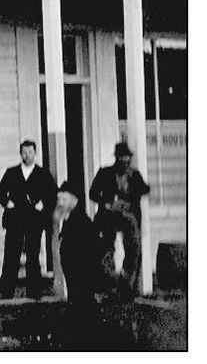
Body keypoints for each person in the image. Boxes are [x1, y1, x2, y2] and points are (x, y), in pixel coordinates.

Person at [0, 139, 56, 299]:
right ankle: (6, 293)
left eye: (30, 152)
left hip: (34, 220)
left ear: (35, 153)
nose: (27, 155)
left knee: (33, 256)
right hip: (15, 219)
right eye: (24, 152)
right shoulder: (12, 172)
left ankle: (34, 292)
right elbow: (0, 192)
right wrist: (7, 203)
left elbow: (52, 195)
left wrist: (43, 205)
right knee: (11, 255)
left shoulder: (43, 174)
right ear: (20, 153)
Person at [88, 142, 150, 295]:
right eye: (121, 157)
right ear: (116, 158)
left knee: (134, 248)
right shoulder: (105, 173)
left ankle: (127, 282)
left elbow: (145, 189)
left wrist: (130, 196)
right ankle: (107, 282)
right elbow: (93, 193)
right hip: (108, 215)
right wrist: (106, 202)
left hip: (129, 215)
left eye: (127, 157)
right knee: (105, 248)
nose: (124, 160)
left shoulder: (134, 174)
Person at [54, 180, 102, 345]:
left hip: (82, 278)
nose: (60, 203)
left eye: (64, 200)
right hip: (74, 279)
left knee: (83, 312)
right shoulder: (67, 220)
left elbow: (92, 252)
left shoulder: (81, 222)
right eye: (59, 199)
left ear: (74, 201)